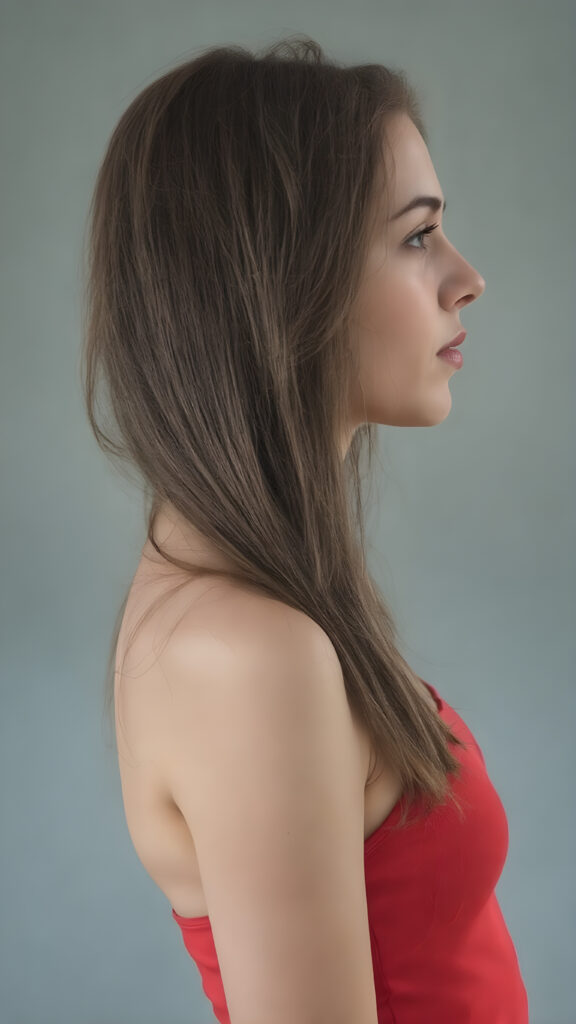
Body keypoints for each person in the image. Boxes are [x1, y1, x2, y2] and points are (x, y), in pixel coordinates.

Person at [81, 36, 529, 1024]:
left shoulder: (259, 601)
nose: (467, 278)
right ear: (283, 276)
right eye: (418, 237)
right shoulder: (241, 648)